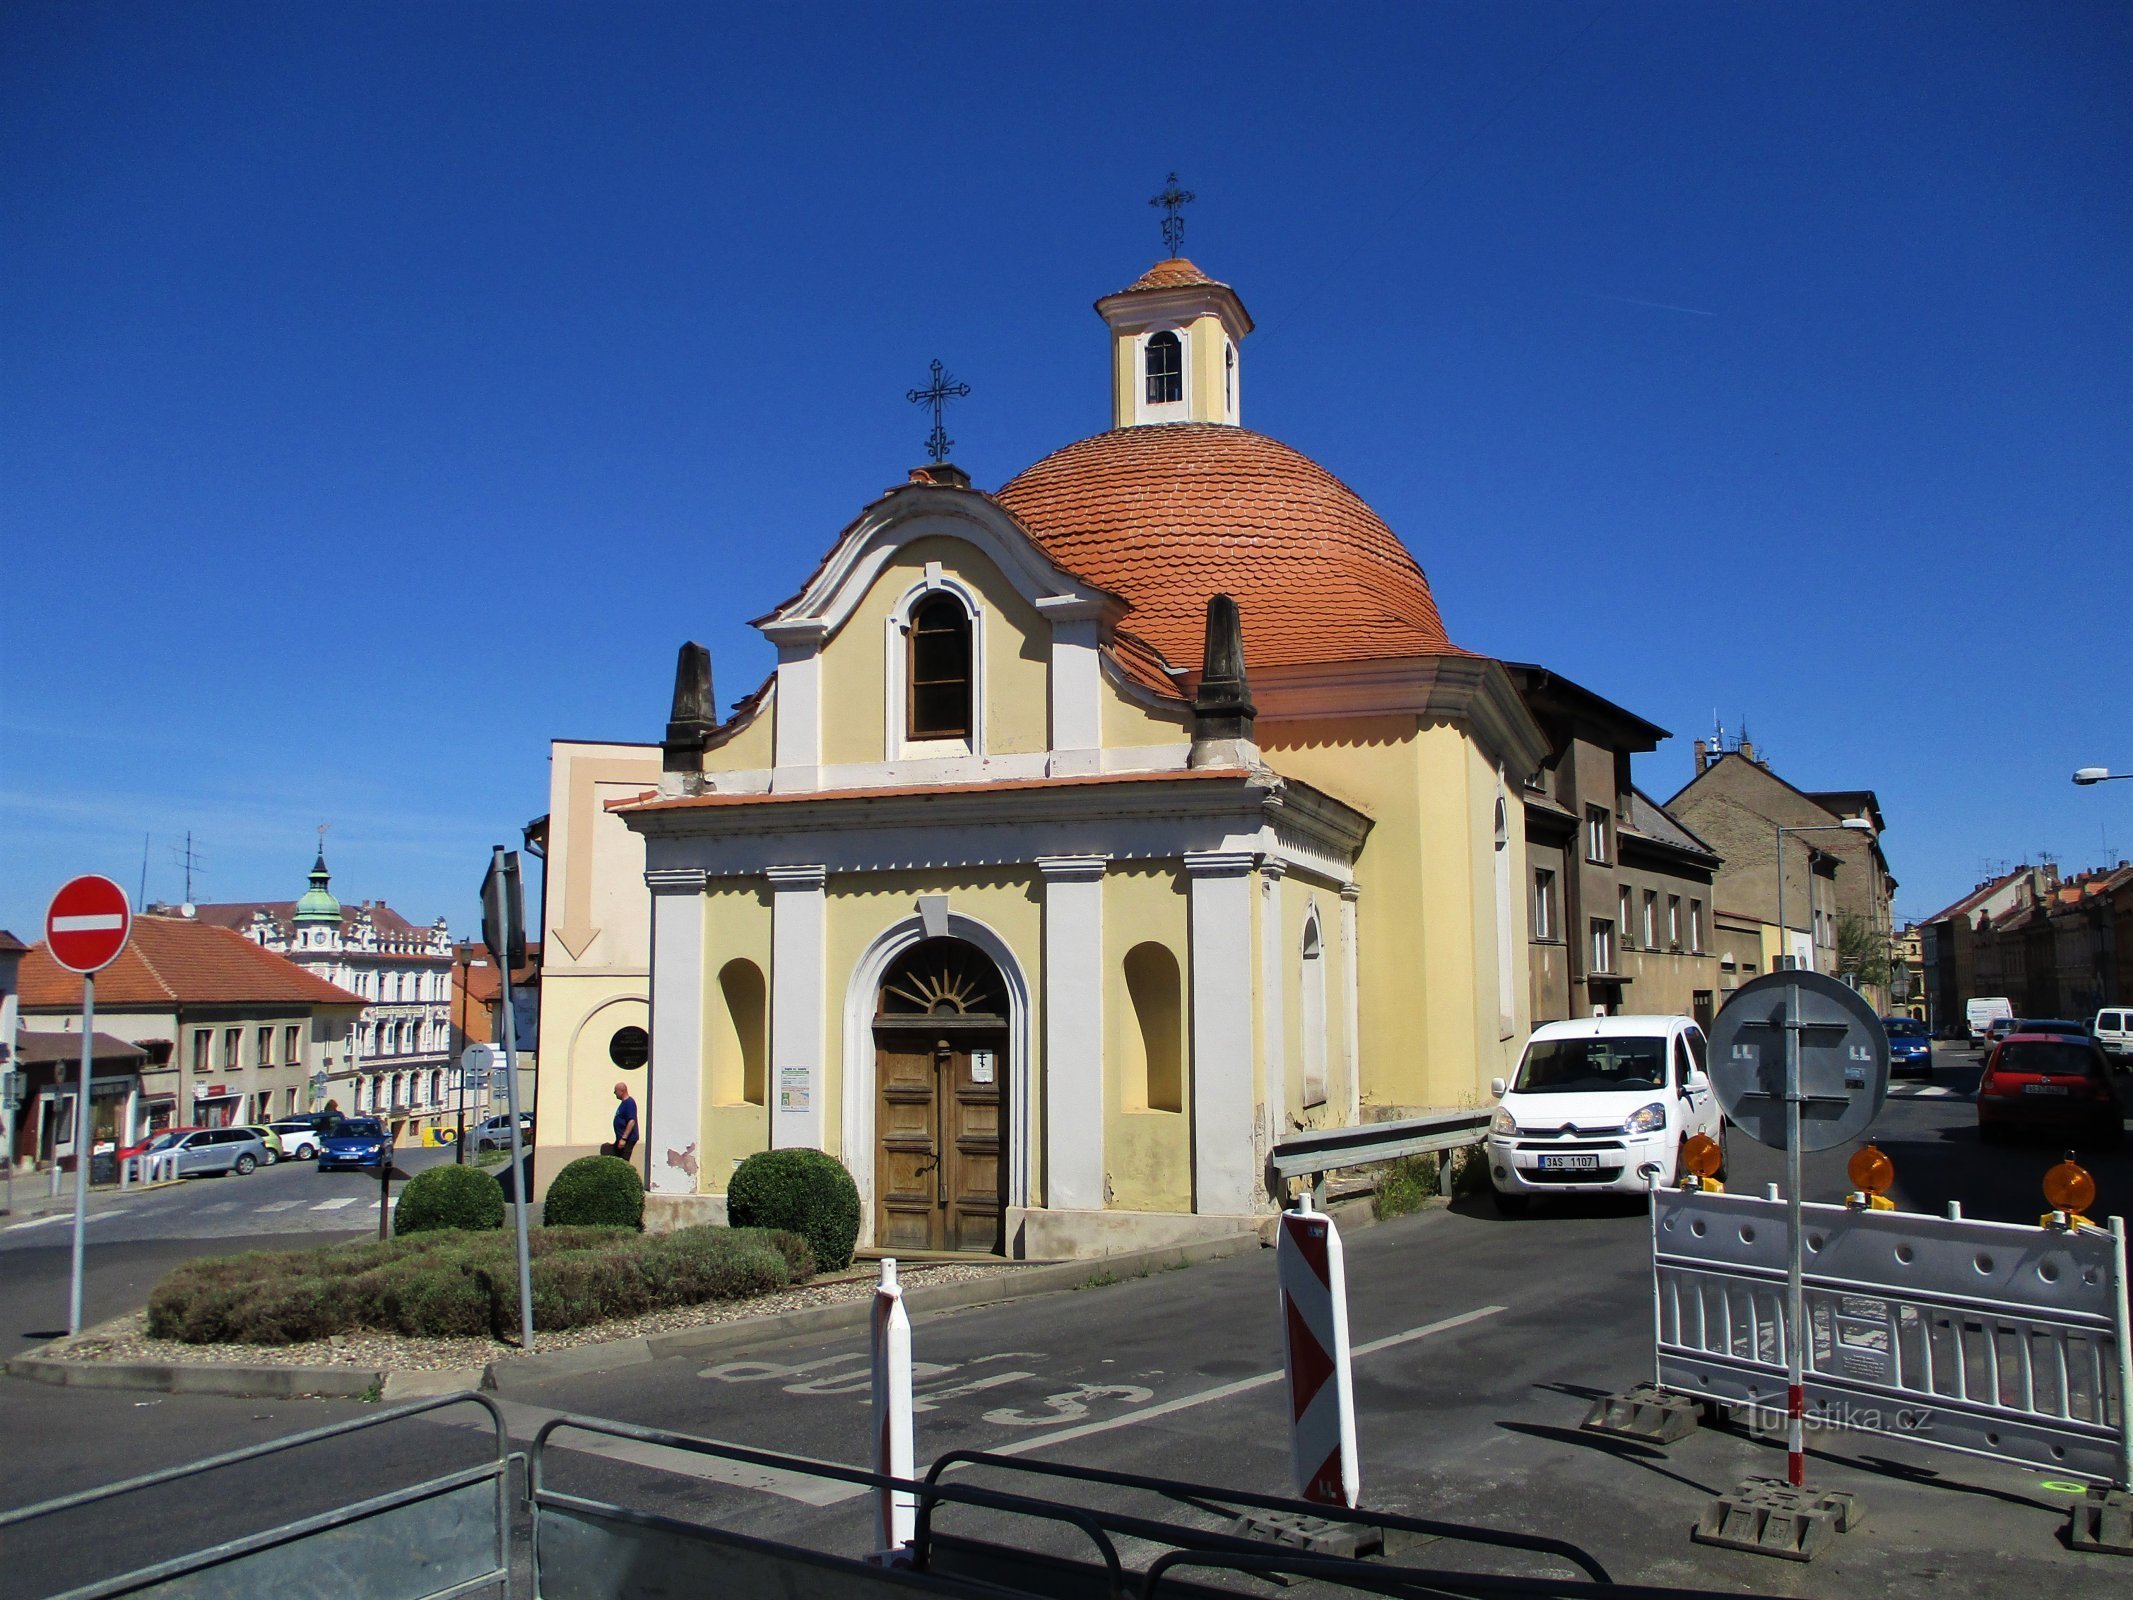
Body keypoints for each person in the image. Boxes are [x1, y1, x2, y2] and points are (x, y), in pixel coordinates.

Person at [608, 1080, 639, 1163]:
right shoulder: (624, 1103)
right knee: (617, 1160)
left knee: (623, 1161)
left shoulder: (629, 1103)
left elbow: (632, 1121)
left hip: (627, 1140)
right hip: (620, 1139)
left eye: (616, 1091)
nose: (614, 1093)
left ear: (622, 1091)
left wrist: (624, 1138)